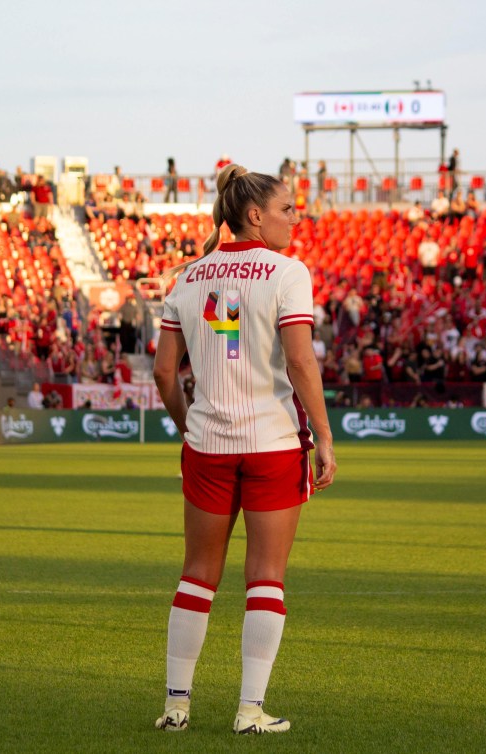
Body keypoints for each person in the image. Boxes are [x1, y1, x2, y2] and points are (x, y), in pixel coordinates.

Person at [152, 163, 336, 735]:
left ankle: (177, 706)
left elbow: (163, 373)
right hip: (273, 444)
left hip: (208, 443)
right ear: (254, 215)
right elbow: (301, 361)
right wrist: (325, 436)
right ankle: (250, 711)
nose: (293, 219)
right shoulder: (287, 272)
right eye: (286, 209)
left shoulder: (189, 276)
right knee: (266, 578)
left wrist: (189, 424)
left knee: (196, 574)